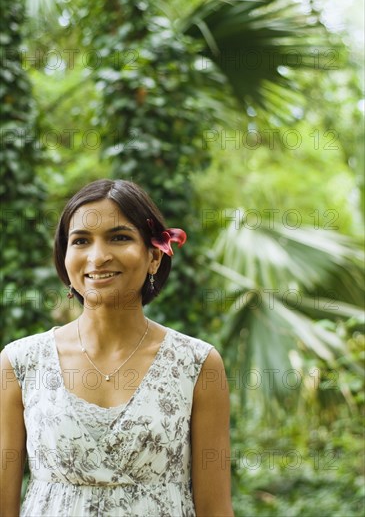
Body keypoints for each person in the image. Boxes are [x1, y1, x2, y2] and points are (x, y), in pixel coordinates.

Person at [0, 178, 233, 517]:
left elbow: (216, 509)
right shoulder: (20, 363)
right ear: (65, 258)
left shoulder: (196, 364)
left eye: (119, 237)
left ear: (154, 256)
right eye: (81, 241)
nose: (98, 257)